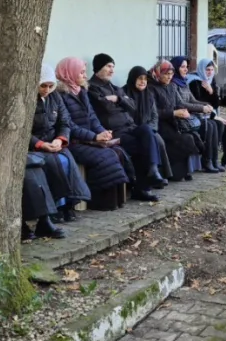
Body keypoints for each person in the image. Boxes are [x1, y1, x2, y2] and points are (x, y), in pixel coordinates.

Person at [55, 57, 139, 209]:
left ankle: (116, 200)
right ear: (70, 73)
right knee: (105, 155)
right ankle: (100, 201)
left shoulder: (81, 91)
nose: (85, 76)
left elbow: (92, 118)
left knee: (117, 151)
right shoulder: (60, 96)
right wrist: (94, 137)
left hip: (89, 139)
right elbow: (69, 126)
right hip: (74, 142)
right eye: (81, 73)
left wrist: (102, 132)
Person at [88, 53, 167, 191]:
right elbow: (105, 106)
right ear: (99, 67)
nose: (112, 70)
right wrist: (122, 100)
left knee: (147, 131)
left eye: (113, 67)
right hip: (114, 130)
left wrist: (118, 100)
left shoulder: (113, 87)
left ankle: (153, 170)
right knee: (142, 144)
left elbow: (132, 106)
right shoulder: (92, 88)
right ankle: (143, 188)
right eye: (109, 66)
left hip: (130, 126)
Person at [31, 66, 91, 222]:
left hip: (54, 143)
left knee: (67, 161)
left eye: (51, 86)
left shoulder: (55, 97)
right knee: (54, 162)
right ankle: (57, 206)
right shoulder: (28, 99)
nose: (47, 90)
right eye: (43, 85)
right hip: (35, 146)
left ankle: (68, 203)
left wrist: (60, 139)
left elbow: (64, 122)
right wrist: (41, 144)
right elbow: (23, 132)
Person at [172, 56, 226, 172]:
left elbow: (196, 100)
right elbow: (181, 103)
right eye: (182, 67)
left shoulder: (183, 82)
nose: (185, 70)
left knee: (220, 125)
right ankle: (207, 160)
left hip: (200, 115)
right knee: (211, 125)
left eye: (186, 67)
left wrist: (209, 96)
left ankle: (215, 160)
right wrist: (203, 107)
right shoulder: (187, 83)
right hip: (187, 118)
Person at [146, 60, 201, 181]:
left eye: (171, 74)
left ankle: (181, 171)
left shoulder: (172, 86)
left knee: (189, 137)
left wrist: (183, 111)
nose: (169, 77)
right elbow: (154, 112)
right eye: (166, 74)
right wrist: (173, 113)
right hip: (159, 124)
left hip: (174, 122)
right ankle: (173, 173)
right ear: (158, 73)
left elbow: (179, 103)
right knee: (180, 139)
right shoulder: (151, 88)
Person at [122, 65, 173, 182]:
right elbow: (124, 117)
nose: (142, 82)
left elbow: (155, 116)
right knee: (153, 140)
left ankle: (160, 174)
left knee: (158, 140)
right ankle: (154, 176)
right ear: (133, 78)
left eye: (145, 79)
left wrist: (150, 129)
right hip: (132, 130)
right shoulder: (124, 93)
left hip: (147, 129)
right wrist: (143, 130)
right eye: (140, 78)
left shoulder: (148, 95)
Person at [195, 57, 226, 167]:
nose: (210, 72)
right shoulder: (195, 82)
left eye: (212, 70)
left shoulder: (211, 81)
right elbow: (197, 102)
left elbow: (217, 104)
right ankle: (212, 159)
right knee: (219, 125)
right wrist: (214, 116)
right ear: (202, 69)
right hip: (201, 115)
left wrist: (211, 91)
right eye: (207, 69)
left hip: (211, 113)